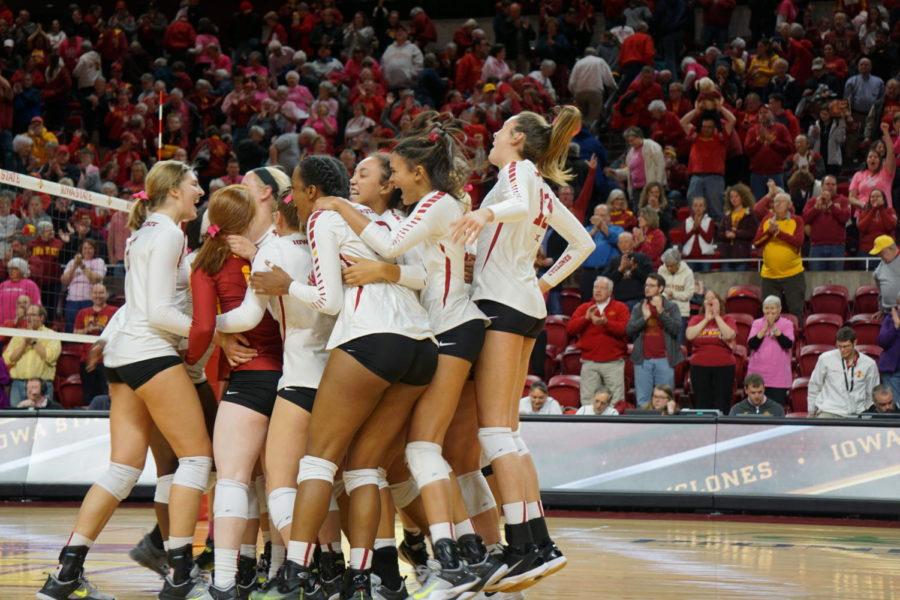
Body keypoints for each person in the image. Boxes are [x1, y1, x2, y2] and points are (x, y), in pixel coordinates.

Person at [314, 120, 504, 595]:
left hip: (449, 327)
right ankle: (467, 551)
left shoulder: (434, 204)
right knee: (435, 455)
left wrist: (342, 208)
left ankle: (458, 558)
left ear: (417, 171)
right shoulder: (432, 205)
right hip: (441, 329)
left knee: (425, 450)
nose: (393, 180)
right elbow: (418, 263)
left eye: (395, 170)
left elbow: (391, 248)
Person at [249, 156, 438, 600]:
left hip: (370, 339)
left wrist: (285, 285)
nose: (291, 197)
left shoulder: (323, 216)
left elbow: (329, 301)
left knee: (318, 462)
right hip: (421, 346)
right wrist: (385, 271)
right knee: (365, 468)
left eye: (294, 188)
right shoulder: (383, 219)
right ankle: (364, 576)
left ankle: (296, 570)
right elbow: (420, 275)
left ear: (312, 191)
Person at [38, 160, 212, 600]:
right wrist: (211, 328)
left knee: (123, 469)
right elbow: (156, 312)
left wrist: (111, 335)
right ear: (173, 190)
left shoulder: (144, 233)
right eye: (195, 185)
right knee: (195, 460)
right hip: (149, 352)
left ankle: (65, 575)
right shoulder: (170, 233)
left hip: (123, 354)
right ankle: (180, 577)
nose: (200, 191)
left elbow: (137, 304)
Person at [450, 105, 592, 589]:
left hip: (501, 306)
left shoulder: (518, 172)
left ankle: (520, 545)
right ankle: (537, 543)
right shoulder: (538, 186)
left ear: (515, 138)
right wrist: (545, 282)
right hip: (525, 304)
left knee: (493, 434)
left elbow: (513, 204)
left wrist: (486, 211)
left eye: (500, 128)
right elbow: (583, 244)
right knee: (509, 433)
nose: (492, 133)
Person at [186, 184, 284, 597]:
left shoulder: (205, 264)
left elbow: (204, 327)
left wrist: (191, 357)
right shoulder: (269, 255)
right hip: (292, 375)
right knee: (280, 482)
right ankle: (284, 573)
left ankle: (225, 580)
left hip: (249, 378)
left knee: (233, 479)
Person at [567, 276, 629, 405]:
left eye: (602, 288)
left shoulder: (620, 307)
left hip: (613, 363)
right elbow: (570, 329)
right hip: (589, 362)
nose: (598, 291)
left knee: (616, 402)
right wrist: (586, 318)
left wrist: (607, 323)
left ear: (610, 292)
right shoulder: (584, 308)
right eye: (596, 287)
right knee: (588, 401)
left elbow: (625, 330)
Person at [626, 273, 684, 407]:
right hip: (642, 361)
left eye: (651, 285)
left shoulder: (671, 307)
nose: (647, 288)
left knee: (665, 400)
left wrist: (661, 312)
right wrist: (644, 318)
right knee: (643, 401)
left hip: (665, 360)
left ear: (661, 288)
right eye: (646, 285)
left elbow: (676, 329)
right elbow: (629, 330)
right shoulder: (638, 307)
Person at [752, 192, 805, 317]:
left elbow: (798, 242)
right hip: (769, 276)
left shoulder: (797, 220)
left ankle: (796, 335)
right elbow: (757, 243)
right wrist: (769, 233)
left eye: (782, 201)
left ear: (789, 205)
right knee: (769, 313)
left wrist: (778, 233)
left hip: (793, 274)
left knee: (796, 310)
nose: (778, 204)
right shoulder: (766, 220)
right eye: (776, 201)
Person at [680, 104, 737, 219]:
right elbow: (683, 122)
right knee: (694, 206)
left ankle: (717, 234)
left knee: (715, 208)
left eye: (709, 127)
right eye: (704, 126)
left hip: (715, 177)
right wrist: (696, 110)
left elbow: (732, 120)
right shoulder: (695, 136)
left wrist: (720, 107)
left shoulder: (721, 138)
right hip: (696, 176)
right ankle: (696, 232)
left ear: (715, 127)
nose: (706, 129)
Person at [809, 327, 880, 418]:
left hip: (856, 413)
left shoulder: (869, 364)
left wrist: (866, 415)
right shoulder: (825, 359)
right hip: (829, 411)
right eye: (839, 346)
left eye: (846, 346)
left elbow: (872, 393)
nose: (842, 350)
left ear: (855, 343)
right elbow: (814, 385)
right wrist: (811, 411)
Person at [685, 290, 736, 413]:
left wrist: (717, 316)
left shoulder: (727, 319)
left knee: (722, 403)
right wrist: (707, 319)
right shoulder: (697, 319)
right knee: (702, 403)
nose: (710, 301)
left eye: (713, 298)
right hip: (699, 367)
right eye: (707, 299)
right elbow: (689, 335)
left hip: (724, 367)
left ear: (719, 302)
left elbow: (729, 335)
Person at [2, 305, 60, 407]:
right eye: (27, 315)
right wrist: (24, 344)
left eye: (33, 315)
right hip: (18, 385)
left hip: (42, 386)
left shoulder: (52, 336)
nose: (29, 318)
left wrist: (33, 341)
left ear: (41, 317)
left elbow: (51, 357)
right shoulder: (18, 335)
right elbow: (8, 359)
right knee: (16, 420)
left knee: (43, 420)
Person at [73, 284, 118, 403]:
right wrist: (87, 330)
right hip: (86, 360)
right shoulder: (83, 312)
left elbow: (117, 332)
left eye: (101, 293)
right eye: (95, 293)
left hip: (107, 360)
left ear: (106, 295)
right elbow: (75, 334)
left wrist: (102, 329)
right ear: (91, 295)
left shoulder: (113, 311)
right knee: (88, 394)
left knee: (107, 393)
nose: (98, 296)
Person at [746, 295, 795, 407]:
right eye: (766, 308)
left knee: (775, 411)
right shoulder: (757, 323)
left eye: (773, 308)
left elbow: (788, 344)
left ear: (779, 309)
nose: (769, 311)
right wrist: (764, 329)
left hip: (778, 377)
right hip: (757, 375)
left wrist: (773, 327)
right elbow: (752, 344)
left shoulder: (787, 324)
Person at [801, 175, 849, 271]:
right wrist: (815, 209)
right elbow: (804, 219)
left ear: (836, 186)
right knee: (817, 281)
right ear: (822, 186)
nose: (830, 186)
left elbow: (845, 218)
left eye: (833, 184)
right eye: (827, 184)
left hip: (837, 247)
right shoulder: (812, 201)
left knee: (836, 281)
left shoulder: (843, 200)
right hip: (816, 247)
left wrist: (831, 205)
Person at [606, 127, 665, 206]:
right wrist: (616, 172)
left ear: (639, 137)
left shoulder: (653, 147)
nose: (631, 143)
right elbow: (630, 171)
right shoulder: (631, 152)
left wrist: (657, 186)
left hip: (650, 188)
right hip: (636, 189)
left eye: (632, 140)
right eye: (629, 141)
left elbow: (660, 167)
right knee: (638, 213)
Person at [745, 105, 794, 199]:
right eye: (760, 113)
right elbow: (747, 151)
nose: (763, 115)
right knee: (758, 204)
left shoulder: (781, 128)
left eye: (766, 112)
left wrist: (772, 142)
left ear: (772, 114)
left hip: (776, 173)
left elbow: (789, 148)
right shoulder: (752, 130)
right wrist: (759, 142)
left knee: (779, 201)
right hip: (757, 174)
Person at [60, 238, 107, 332]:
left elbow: (96, 280)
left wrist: (82, 266)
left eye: (90, 248)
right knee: (71, 327)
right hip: (72, 300)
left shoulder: (99, 261)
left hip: (89, 300)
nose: (87, 250)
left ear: (94, 250)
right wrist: (74, 266)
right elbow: (64, 281)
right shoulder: (72, 262)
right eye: (85, 248)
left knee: (87, 327)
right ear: (81, 250)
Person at [579, 204, 622, 300]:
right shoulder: (587, 230)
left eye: (602, 216)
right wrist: (595, 229)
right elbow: (582, 243)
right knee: (586, 301)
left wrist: (602, 227)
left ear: (609, 217)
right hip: (587, 273)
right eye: (597, 215)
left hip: (607, 272)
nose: (599, 218)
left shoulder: (617, 229)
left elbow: (617, 241)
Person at [849, 123, 896, 209]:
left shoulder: (886, 172)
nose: (872, 159)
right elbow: (851, 197)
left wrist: (886, 133)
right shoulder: (858, 175)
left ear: (880, 160)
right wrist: (861, 204)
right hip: (863, 214)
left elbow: (891, 153)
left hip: (884, 213)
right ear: (866, 160)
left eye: (876, 157)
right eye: (870, 157)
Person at [605, 232, 653, 308]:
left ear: (633, 243)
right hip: (618, 301)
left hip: (638, 300)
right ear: (618, 245)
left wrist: (634, 269)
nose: (623, 245)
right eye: (621, 242)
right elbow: (606, 281)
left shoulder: (642, 258)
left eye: (626, 242)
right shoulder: (614, 260)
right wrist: (620, 270)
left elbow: (650, 279)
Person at [718, 184, 758, 271]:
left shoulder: (749, 214)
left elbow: (753, 232)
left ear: (743, 197)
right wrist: (726, 235)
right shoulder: (726, 215)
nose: (734, 199)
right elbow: (719, 234)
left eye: (736, 196)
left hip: (742, 255)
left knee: (741, 284)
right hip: (727, 255)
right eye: (731, 196)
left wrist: (736, 234)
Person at [658, 248, 694, 332]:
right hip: (664, 310)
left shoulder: (688, 273)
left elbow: (689, 294)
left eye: (672, 266)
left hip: (682, 312)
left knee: (679, 343)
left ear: (678, 263)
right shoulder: (661, 270)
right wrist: (667, 295)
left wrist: (673, 294)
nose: (669, 268)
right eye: (667, 265)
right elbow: (659, 290)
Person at [857, 188, 897, 258]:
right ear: (869, 199)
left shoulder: (890, 211)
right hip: (867, 250)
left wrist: (881, 209)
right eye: (872, 197)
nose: (875, 199)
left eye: (878, 196)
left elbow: (891, 226)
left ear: (883, 199)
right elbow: (861, 228)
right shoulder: (864, 212)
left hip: (886, 250)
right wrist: (874, 210)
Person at [0, 257, 41, 324]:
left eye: (15, 269)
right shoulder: (3, 284)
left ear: (22, 270)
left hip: (20, 323)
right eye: (10, 269)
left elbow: (37, 306)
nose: (11, 271)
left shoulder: (30, 284)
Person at [877, 294, 900, 407]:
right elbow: (882, 342)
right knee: (893, 408)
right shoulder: (889, 319)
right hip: (892, 372)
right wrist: (896, 326)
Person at [681, 197, 716, 272]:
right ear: (692, 207)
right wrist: (693, 230)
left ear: (705, 207)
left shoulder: (710, 221)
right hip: (690, 257)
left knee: (706, 281)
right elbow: (683, 240)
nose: (698, 208)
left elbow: (708, 239)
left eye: (701, 205)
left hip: (705, 258)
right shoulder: (686, 221)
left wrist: (698, 227)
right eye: (695, 205)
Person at [871, 235, 900, 311]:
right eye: (879, 254)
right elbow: (880, 288)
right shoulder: (881, 265)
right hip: (888, 311)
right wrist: (881, 309)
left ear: (890, 249)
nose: (880, 256)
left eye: (881, 253)